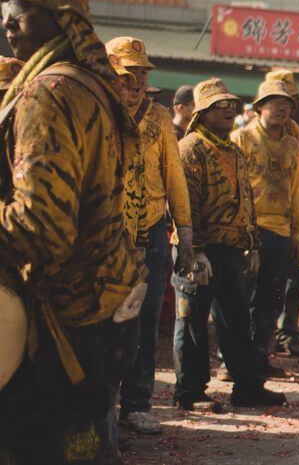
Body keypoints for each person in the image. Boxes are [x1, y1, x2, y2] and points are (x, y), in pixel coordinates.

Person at [0, 0, 147, 462]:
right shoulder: (92, 87)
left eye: (21, 8)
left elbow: (43, 226)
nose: (7, 21)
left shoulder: (49, 93)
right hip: (102, 306)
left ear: (59, 17)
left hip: (62, 322)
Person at [173, 78, 286, 411]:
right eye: (220, 106)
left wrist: (251, 245)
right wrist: (195, 251)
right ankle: (189, 393)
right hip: (200, 250)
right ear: (204, 111)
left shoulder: (233, 151)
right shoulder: (191, 147)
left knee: (237, 321)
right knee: (192, 322)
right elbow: (185, 204)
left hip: (231, 251)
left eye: (232, 105)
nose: (229, 110)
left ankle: (247, 387)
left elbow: (245, 199)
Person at [107, 36, 196, 435]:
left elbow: (174, 178)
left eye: (141, 74)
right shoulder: (98, 113)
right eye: (127, 75)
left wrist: (187, 237)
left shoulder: (160, 119)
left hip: (152, 234)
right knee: (107, 321)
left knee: (145, 324)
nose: (135, 82)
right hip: (108, 236)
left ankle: (137, 403)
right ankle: (103, 405)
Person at [231, 79, 299, 375]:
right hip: (250, 230)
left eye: (286, 104)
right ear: (259, 106)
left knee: (272, 301)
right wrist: (240, 230)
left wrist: (297, 234)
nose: (282, 108)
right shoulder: (242, 138)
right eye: (275, 102)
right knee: (241, 299)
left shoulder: (292, 145)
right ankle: (234, 363)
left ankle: (259, 359)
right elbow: (234, 187)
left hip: (282, 232)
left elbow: (297, 190)